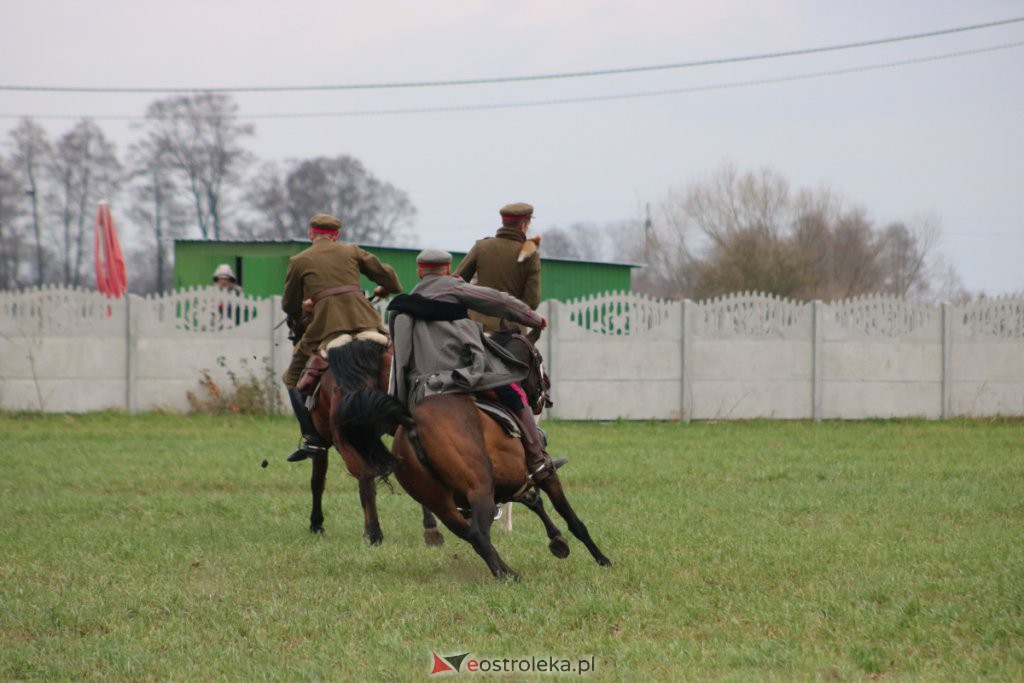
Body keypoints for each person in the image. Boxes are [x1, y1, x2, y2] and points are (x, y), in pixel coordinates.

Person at [389, 248, 564, 482]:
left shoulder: (403, 306)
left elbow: (399, 362)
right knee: (513, 391)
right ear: (449, 269)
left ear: (420, 272)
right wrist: (532, 318)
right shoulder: (455, 288)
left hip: (421, 387)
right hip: (460, 377)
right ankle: (537, 459)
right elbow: (499, 301)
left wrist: (398, 406)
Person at [281, 213, 402, 463]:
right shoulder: (352, 251)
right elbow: (390, 278)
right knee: (399, 360)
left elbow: (288, 304)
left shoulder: (299, 260)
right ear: (336, 236)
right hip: (367, 322)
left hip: (327, 328)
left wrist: (301, 313)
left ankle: (312, 438)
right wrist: (385, 290)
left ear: (311, 235)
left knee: (292, 377)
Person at [455, 202, 541, 333]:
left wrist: (474, 288)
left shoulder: (481, 247)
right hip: (512, 332)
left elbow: (455, 282)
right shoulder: (531, 255)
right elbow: (531, 302)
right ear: (523, 225)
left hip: (476, 329)